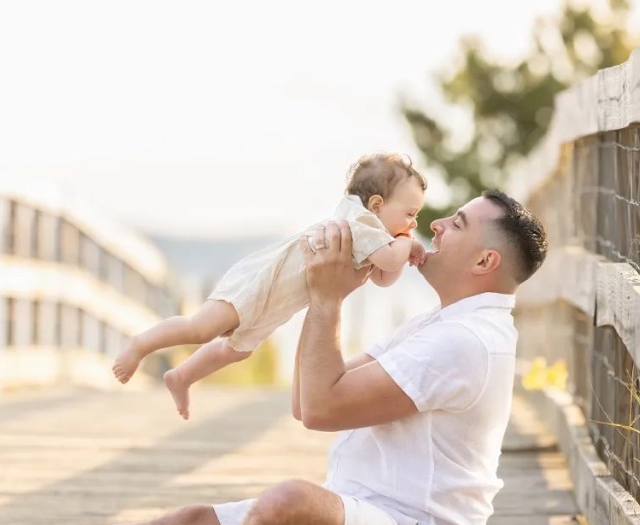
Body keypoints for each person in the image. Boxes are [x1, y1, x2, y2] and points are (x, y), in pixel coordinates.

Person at [0, 189, 547, 525]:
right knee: (187, 523)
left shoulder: (468, 339)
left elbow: (319, 407)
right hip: (362, 519)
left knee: (287, 503)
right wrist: (309, 294)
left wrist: (324, 299)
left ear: (485, 262)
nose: (435, 223)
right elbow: (312, 396)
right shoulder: (448, 324)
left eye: (456, 223)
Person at [112, 153, 428, 420]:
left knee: (235, 351)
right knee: (201, 328)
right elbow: (388, 262)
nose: (413, 224)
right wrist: (407, 244)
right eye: (410, 214)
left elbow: (385, 276)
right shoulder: (362, 225)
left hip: (277, 301)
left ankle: (182, 376)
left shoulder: (373, 236)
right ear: (375, 204)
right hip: (259, 281)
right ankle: (140, 345)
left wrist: (400, 247)